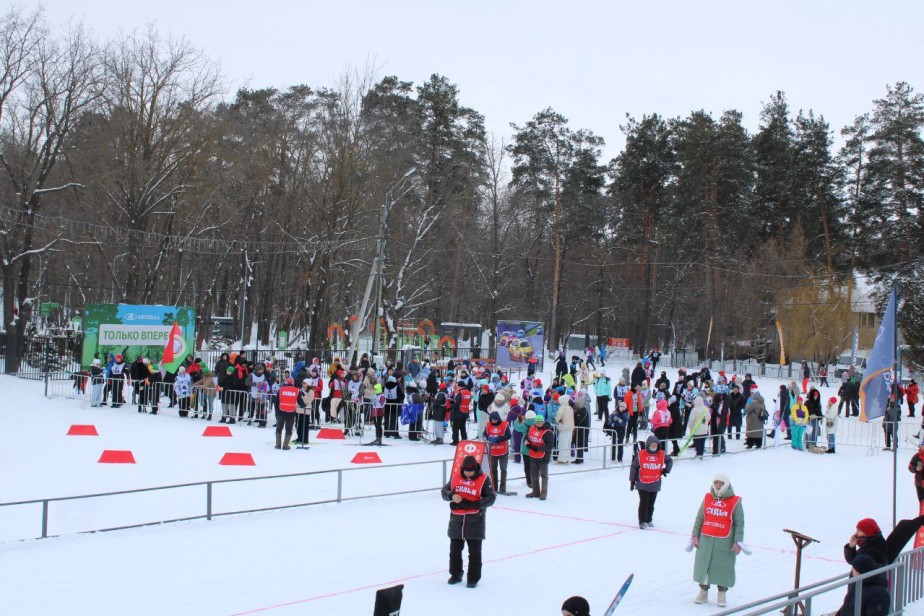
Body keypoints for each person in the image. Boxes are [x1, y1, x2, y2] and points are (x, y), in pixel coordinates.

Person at [441, 455, 496, 589]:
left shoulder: (484, 479)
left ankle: (473, 578)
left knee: (474, 552)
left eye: (471, 471)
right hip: (456, 520)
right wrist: (451, 495)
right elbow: (444, 491)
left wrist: (477, 504)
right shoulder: (455, 477)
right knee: (454, 551)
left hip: (475, 521)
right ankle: (455, 574)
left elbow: (491, 497)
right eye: (466, 471)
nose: (468, 473)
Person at [691, 474, 745, 608]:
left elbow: (739, 523)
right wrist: (695, 535)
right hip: (706, 539)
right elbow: (700, 517)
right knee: (705, 565)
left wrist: (738, 541)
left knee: (723, 566)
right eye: (716, 483)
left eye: (721, 483)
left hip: (725, 541)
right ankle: (703, 592)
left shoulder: (735, 501)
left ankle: (722, 593)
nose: (718, 486)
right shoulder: (708, 498)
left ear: (726, 484)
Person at [630, 434, 673, 529]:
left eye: (655, 445)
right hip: (642, 482)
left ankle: (649, 519)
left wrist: (667, 469)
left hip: (655, 482)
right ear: (648, 445)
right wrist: (632, 480)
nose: (653, 447)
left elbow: (670, 461)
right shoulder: (641, 454)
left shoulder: (661, 454)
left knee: (651, 503)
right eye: (652, 445)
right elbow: (634, 467)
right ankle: (642, 521)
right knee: (644, 502)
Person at [525, 414, 554, 500]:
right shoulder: (532, 428)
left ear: (543, 422)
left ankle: (543, 493)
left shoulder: (548, 432)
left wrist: (537, 448)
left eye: (540, 423)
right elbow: (527, 436)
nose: (538, 424)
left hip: (543, 457)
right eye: (537, 422)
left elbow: (549, 446)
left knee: (544, 475)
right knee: (533, 475)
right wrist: (526, 441)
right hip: (533, 455)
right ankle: (535, 492)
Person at [483, 410, 511, 493]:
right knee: (493, 469)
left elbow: (509, 435)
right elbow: (485, 434)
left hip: (503, 451)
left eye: (495, 419)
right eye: (492, 419)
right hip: (493, 451)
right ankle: (494, 487)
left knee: (503, 469)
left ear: (498, 419)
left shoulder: (504, 425)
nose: (494, 421)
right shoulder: (488, 425)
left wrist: (499, 438)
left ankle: (502, 488)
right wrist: (485, 437)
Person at [275, 378, 299, 450]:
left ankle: (278, 445)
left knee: (279, 428)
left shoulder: (281, 390)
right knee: (289, 429)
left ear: (286, 382)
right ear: (293, 383)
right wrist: (304, 405)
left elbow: (277, 401)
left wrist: (277, 410)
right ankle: (285, 446)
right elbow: (300, 401)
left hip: (281, 411)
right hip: (291, 412)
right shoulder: (297, 390)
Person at [555, 394, 575, 464]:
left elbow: (558, 416)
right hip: (570, 427)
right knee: (568, 444)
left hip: (564, 428)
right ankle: (566, 458)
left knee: (563, 444)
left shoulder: (562, 408)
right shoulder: (570, 408)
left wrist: (557, 420)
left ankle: (562, 460)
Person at [451, 381, 472, 445]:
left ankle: (455, 441)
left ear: (460, 386)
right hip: (465, 411)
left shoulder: (460, 393)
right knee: (463, 427)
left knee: (455, 427)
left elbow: (457, 403)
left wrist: (451, 406)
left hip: (458, 412)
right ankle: (464, 439)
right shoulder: (468, 392)